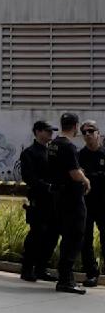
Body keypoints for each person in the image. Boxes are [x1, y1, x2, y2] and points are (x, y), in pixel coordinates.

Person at [48, 112, 92, 294]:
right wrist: (86, 179)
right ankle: (66, 280)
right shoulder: (69, 147)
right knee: (74, 236)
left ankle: (65, 277)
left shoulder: (53, 145)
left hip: (58, 196)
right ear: (75, 126)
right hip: (72, 198)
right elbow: (74, 173)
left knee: (66, 237)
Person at [19, 120, 58, 283]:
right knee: (36, 234)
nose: (51, 134)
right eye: (47, 131)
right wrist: (46, 186)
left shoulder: (53, 151)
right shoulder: (29, 152)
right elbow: (29, 177)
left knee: (52, 235)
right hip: (38, 199)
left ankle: (41, 268)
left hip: (55, 200)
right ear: (38, 132)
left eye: (52, 131)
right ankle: (27, 269)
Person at [77, 120, 105, 287]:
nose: (87, 134)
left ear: (98, 133)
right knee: (85, 241)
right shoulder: (80, 156)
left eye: (90, 131)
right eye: (84, 132)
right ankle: (91, 274)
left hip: (103, 205)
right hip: (86, 204)